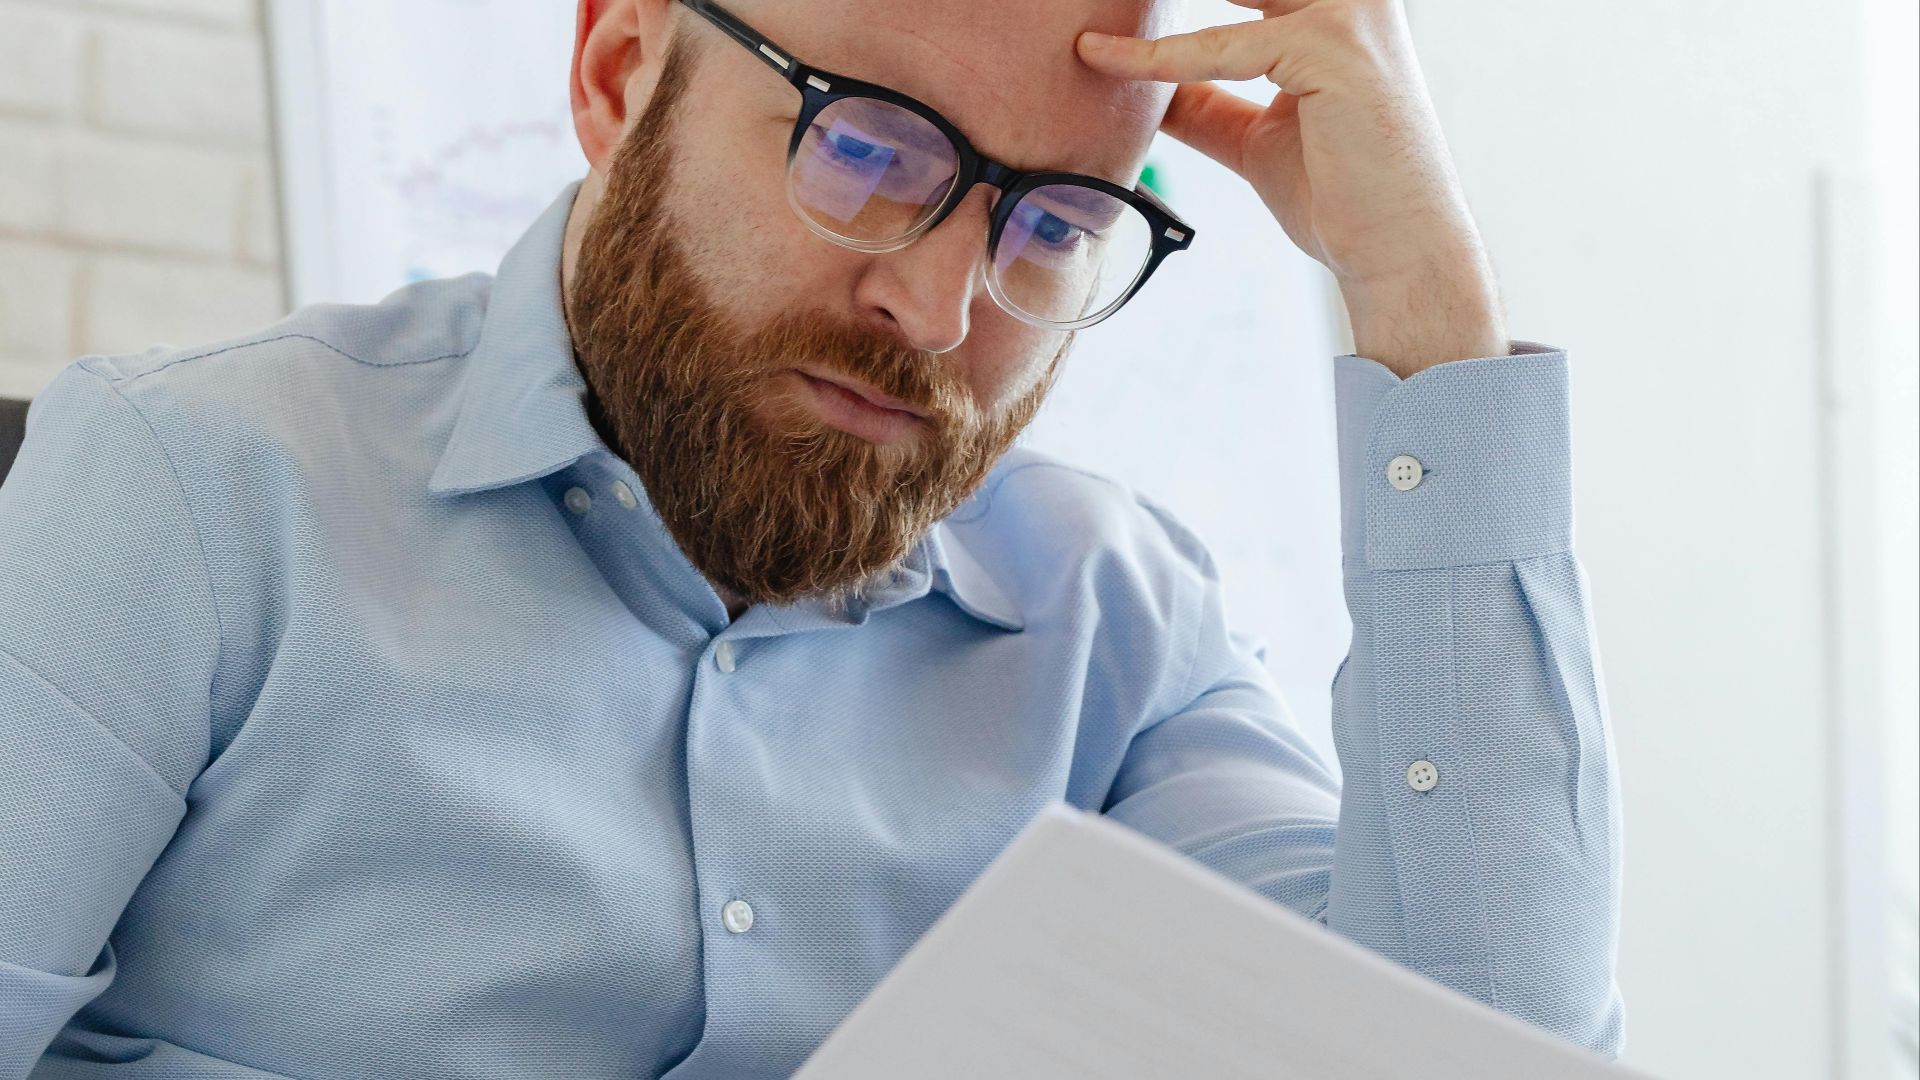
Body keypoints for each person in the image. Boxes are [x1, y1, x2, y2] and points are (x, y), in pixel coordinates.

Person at [0, 0, 1625, 1075]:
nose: (938, 305)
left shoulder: (1118, 630)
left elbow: (1473, 1046)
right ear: (619, 73)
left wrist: (1425, 311)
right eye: (866, 147)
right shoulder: (193, 486)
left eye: (1054, 224)